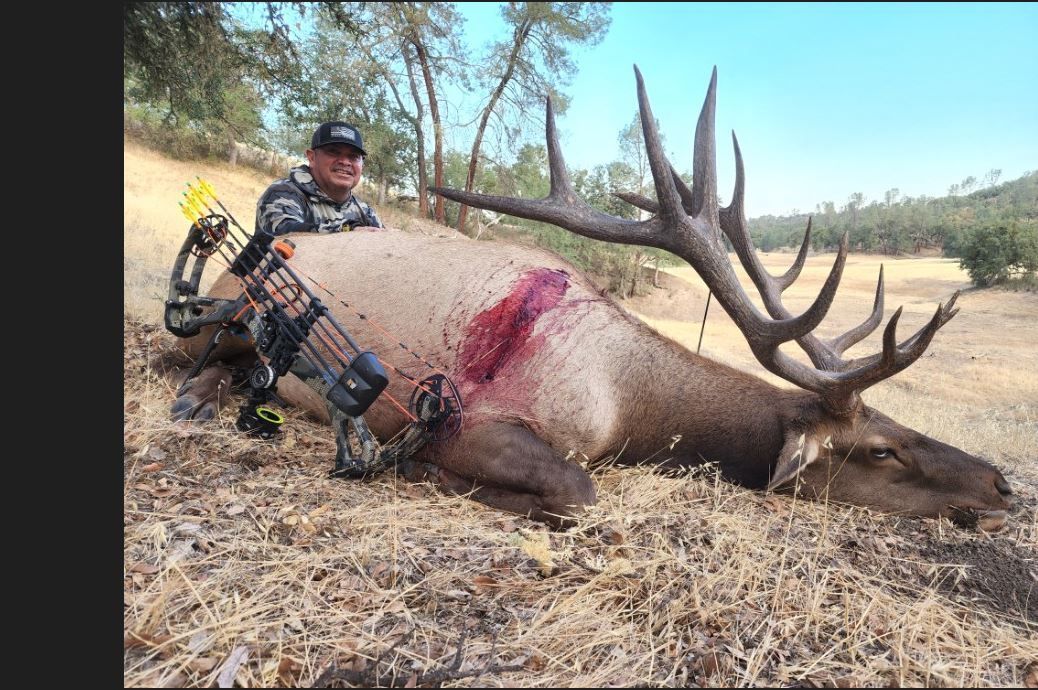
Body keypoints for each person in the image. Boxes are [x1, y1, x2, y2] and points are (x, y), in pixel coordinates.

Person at [256, 121, 383, 236]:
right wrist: (348, 232)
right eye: (334, 152)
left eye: (354, 156)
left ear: (362, 165)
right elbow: (284, 233)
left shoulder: (365, 211)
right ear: (312, 157)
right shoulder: (283, 193)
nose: (345, 162)